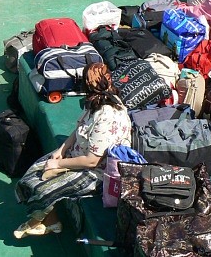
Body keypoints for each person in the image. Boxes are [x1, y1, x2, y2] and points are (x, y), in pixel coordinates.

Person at [13, 63, 131, 239]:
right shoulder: (95, 101)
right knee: (31, 174)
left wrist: (59, 164)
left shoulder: (108, 115)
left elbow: (92, 161)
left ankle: (41, 221)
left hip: (96, 172)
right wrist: (62, 149)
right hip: (77, 155)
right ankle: (51, 221)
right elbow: (79, 128)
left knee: (41, 189)